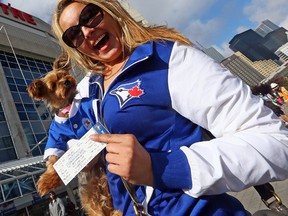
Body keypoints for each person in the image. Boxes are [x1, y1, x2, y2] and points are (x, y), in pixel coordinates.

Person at [51, 0, 288, 215]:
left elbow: (277, 144)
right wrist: (75, 157)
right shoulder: (88, 89)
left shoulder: (168, 59)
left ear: (111, 11)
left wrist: (160, 167)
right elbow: (68, 132)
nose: (86, 31)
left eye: (90, 15)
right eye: (74, 35)